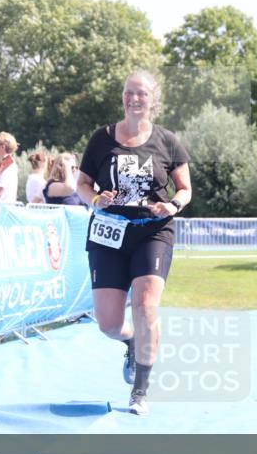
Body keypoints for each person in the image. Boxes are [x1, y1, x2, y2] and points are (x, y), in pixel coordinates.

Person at [77, 69, 192, 416]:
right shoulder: (102, 138)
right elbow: (81, 184)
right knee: (109, 324)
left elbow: (185, 189)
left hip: (152, 231)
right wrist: (97, 200)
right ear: (123, 96)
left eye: (141, 93)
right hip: (109, 233)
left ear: (152, 100)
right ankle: (131, 341)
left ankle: (140, 390)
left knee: (145, 306)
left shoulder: (167, 141)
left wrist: (170, 205)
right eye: (129, 92)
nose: (134, 98)